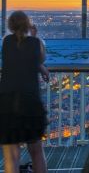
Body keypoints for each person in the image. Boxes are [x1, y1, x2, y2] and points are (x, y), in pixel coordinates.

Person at [0, 11, 49, 173]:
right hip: (30, 103)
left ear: (10, 26)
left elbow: (17, 58)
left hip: (7, 104)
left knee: (11, 156)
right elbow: (39, 58)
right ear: (28, 25)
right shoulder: (35, 43)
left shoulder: (6, 42)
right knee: (36, 153)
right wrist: (34, 36)